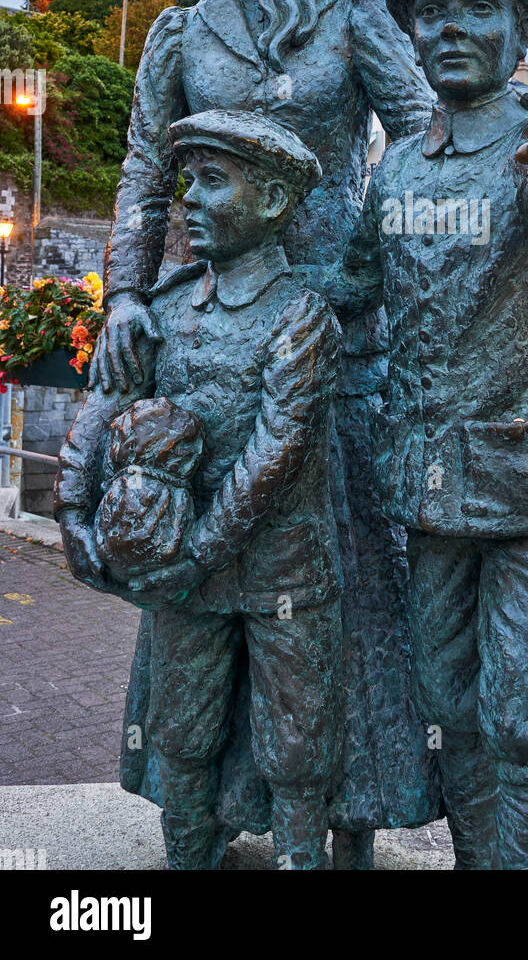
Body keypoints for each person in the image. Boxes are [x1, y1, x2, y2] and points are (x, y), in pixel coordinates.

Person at [89, 0, 440, 866]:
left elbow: (420, 146)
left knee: (346, 581)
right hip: (200, 338)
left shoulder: (355, 22)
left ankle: (347, 819)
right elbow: (146, 169)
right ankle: (197, 807)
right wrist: (122, 297)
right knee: (201, 574)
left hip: (338, 336)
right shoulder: (177, 32)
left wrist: (365, 270)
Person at [320, 0, 528, 869]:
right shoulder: (399, 171)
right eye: (429, 11)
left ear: (520, 34)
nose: (449, 25)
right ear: (411, 37)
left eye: (477, 7)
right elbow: (351, 288)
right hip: (427, 497)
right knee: (454, 714)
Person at [56, 110, 344, 869]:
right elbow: (103, 407)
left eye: (213, 182)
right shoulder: (165, 309)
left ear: (277, 201)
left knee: (298, 744)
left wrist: (197, 554)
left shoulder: (302, 315)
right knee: (182, 732)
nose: (187, 200)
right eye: (186, 180)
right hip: (185, 576)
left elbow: (276, 452)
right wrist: (72, 511)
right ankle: (187, 857)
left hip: (283, 569)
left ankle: (300, 861)